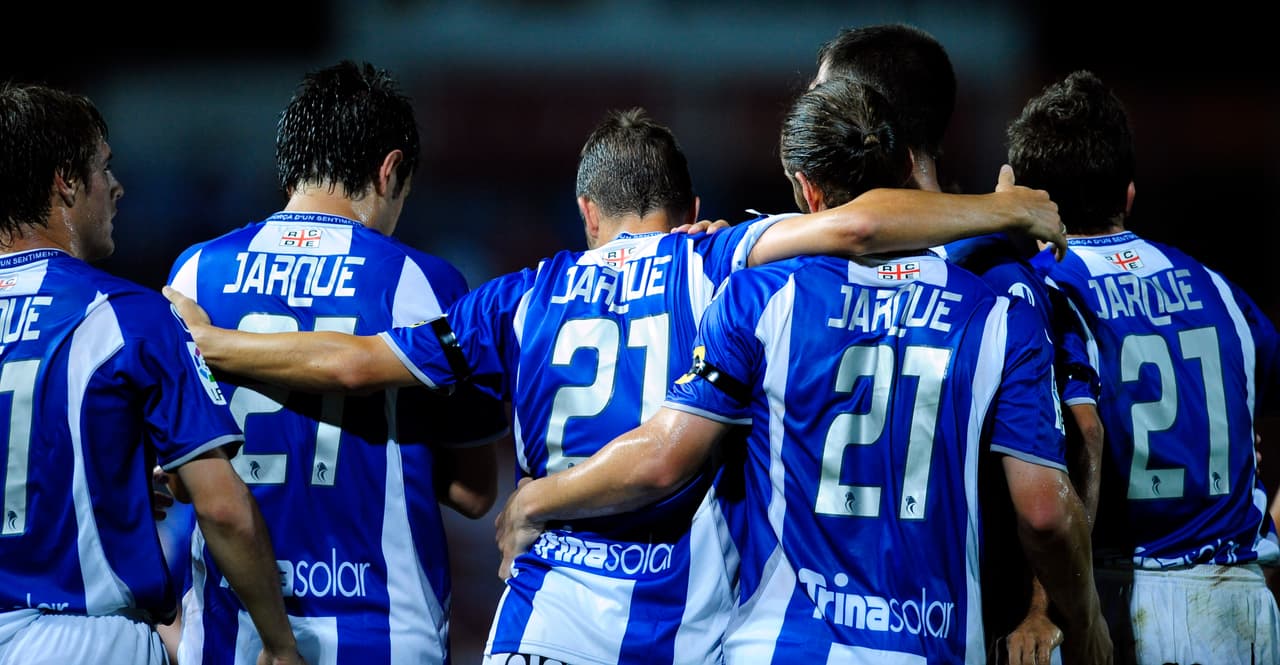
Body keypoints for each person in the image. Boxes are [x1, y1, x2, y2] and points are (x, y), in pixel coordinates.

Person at [163, 103, 1066, 664]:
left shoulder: (522, 295)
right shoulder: (718, 259)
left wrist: (214, 344)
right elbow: (860, 228)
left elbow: (354, 362)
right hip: (686, 628)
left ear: (588, 211)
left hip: (545, 621)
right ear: (690, 207)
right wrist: (1006, 209)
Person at [494, 77, 1112, 665]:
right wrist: (1083, 621)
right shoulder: (1000, 316)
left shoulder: (755, 296)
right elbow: (1045, 512)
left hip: (778, 643)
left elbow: (663, 456)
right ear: (904, 169)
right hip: (933, 641)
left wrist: (534, 500)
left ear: (805, 190)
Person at [166, 60, 508, 665]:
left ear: (292, 163)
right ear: (390, 170)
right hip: (383, 630)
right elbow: (475, 491)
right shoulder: (422, 284)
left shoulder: (195, 274)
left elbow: (175, 469)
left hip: (229, 631)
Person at [814, 24, 1107, 664]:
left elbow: (1071, 438)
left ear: (871, 119)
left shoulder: (994, 276)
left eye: (823, 97)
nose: (811, 114)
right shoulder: (814, 258)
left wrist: (1044, 608)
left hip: (936, 622)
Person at [0, 83, 303, 664]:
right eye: (103, 167)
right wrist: (278, 643)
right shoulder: (128, 317)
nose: (117, 187)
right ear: (65, 180)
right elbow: (222, 508)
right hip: (80, 642)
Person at [1011, 69, 1280, 665]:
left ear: (1033, 201)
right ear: (1128, 194)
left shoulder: (1044, 287)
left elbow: (1081, 434)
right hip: (1240, 598)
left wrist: (1046, 607)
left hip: (1119, 590)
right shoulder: (1223, 290)